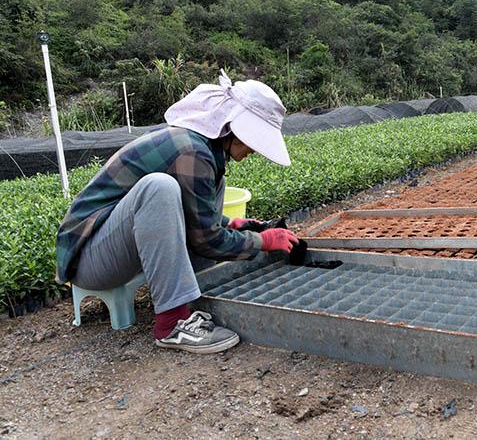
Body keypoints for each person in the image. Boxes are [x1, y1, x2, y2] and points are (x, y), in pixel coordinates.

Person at [56, 71, 299, 353]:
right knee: (158, 188)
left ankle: (196, 287)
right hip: (89, 260)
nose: (254, 151)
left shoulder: (201, 148)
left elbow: (191, 209)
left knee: (210, 182)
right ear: (235, 129)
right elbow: (204, 238)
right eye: (254, 141)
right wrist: (263, 242)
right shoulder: (192, 152)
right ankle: (172, 323)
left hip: (115, 245)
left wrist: (230, 223)